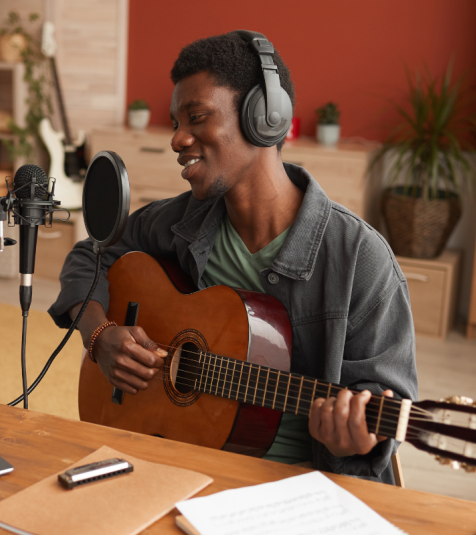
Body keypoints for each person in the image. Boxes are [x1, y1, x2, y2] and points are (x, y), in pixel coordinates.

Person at [48, 31, 417, 484]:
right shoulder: (180, 220)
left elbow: (385, 403)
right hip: (175, 460)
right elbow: (91, 256)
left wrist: (358, 439)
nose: (177, 139)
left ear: (264, 118)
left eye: (197, 117)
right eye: (175, 122)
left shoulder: (360, 260)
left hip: (298, 486)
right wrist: (99, 335)